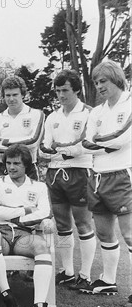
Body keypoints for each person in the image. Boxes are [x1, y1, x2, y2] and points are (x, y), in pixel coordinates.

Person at [0, 145, 54, 307]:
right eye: (8, 163)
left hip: (24, 233)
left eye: (16, 163)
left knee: (42, 247)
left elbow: (45, 212)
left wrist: (18, 219)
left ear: (26, 166)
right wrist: (26, 210)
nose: (11, 167)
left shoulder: (38, 186)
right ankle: (7, 296)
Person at [80, 60, 131, 307]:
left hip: (122, 174)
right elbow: (85, 142)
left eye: (104, 81)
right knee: (103, 232)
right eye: (96, 82)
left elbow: (121, 140)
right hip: (97, 175)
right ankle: (108, 281)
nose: (100, 86)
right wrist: (101, 144)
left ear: (117, 80)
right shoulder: (96, 112)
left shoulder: (130, 103)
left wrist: (97, 143)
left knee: (130, 235)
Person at [39, 70, 96, 290]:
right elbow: (44, 148)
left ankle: (85, 274)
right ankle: (68, 272)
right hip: (54, 173)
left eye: (65, 90)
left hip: (80, 172)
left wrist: (63, 150)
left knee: (83, 223)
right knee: (62, 224)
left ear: (76, 90)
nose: (61, 95)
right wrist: (64, 150)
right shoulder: (52, 117)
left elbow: (83, 147)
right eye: (58, 90)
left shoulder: (88, 113)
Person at [0, 76, 44, 179]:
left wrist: (5, 141)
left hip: (28, 167)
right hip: (3, 168)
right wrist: (21, 146)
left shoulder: (36, 114)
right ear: (3, 97)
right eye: (8, 95)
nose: (11, 99)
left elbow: (33, 142)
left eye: (15, 95)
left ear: (22, 95)